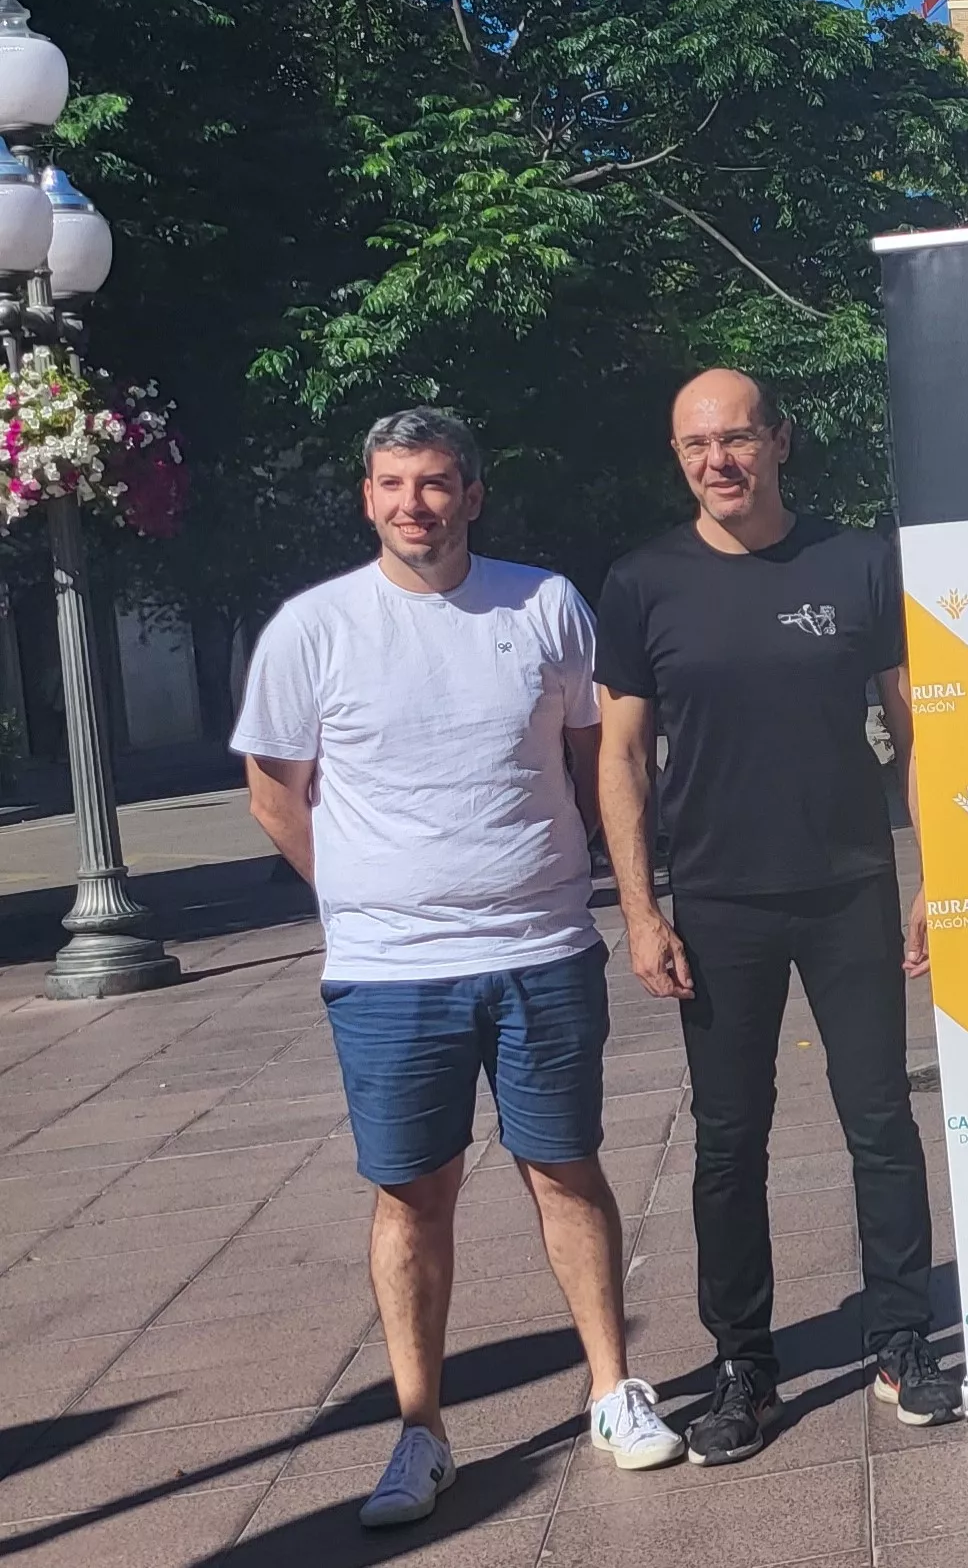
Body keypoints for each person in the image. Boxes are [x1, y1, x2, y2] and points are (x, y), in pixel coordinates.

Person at [233, 410, 684, 1529]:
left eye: (435, 484)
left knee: (565, 1169)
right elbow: (274, 791)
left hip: (539, 948)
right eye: (392, 485)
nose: (413, 505)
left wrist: (630, 903)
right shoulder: (314, 627)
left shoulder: (544, 606)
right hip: (388, 974)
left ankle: (610, 1390)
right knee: (410, 1196)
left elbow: (599, 766)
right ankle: (420, 1431)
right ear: (366, 495)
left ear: (473, 495)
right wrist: (362, 892)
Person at [595, 369, 957, 1466]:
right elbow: (618, 754)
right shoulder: (642, 581)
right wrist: (641, 909)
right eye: (696, 444)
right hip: (716, 904)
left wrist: (934, 871)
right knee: (727, 1141)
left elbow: (915, 721)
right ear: (678, 457)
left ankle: (902, 1343)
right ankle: (745, 1369)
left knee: (880, 1124)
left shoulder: (854, 560)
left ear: (779, 442)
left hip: (846, 884)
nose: (719, 461)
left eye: (738, 438)